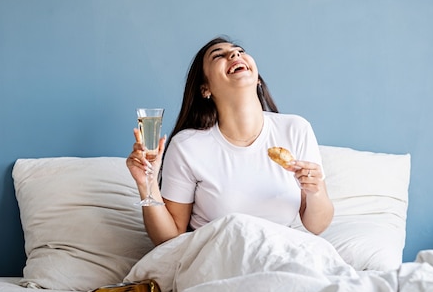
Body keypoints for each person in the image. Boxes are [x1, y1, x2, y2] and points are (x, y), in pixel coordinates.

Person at [126, 36, 334, 245]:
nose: (235, 55)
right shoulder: (187, 146)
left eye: (240, 51)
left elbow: (317, 226)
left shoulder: (296, 129)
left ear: (258, 78)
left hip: (281, 253)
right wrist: (148, 184)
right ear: (205, 89)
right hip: (219, 255)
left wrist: (315, 191)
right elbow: (168, 239)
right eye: (219, 55)